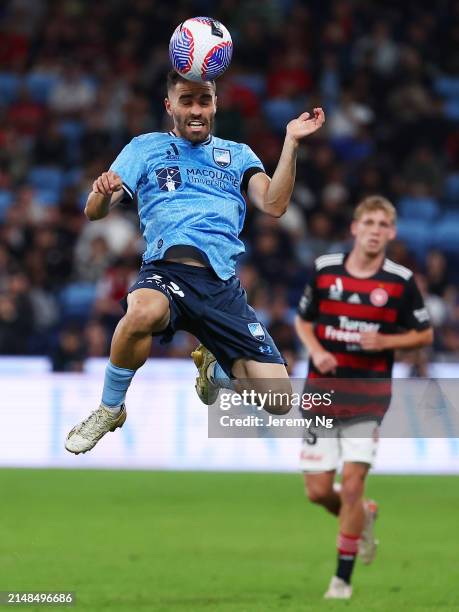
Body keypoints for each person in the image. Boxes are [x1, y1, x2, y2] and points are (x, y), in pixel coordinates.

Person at [65, 70, 325, 454]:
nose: (197, 110)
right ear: (170, 106)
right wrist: (102, 194)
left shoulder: (238, 155)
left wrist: (291, 142)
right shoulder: (144, 148)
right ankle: (110, 407)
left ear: (216, 104)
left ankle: (216, 371)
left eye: (204, 101)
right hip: (166, 271)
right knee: (140, 312)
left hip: (221, 287)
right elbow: (94, 211)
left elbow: (274, 204)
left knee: (279, 399)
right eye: (187, 101)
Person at [294, 196, 433, 600]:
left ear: (391, 233)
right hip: (321, 394)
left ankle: (341, 579)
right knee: (319, 491)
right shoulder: (324, 271)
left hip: (368, 399)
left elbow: (424, 334)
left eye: (382, 224)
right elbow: (303, 321)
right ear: (355, 228)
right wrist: (315, 350)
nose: (375, 230)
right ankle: (363, 518)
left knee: (352, 487)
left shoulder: (400, 281)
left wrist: (387, 340)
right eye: (368, 222)